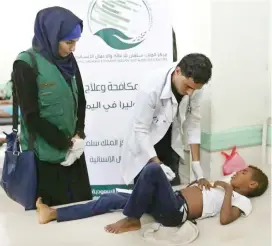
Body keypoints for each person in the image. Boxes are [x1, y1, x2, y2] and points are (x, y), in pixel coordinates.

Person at [36, 163, 268, 235]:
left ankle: (132, 218)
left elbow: (226, 219)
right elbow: (195, 193)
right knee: (111, 198)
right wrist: (201, 183)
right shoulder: (223, 184)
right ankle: (54, 213)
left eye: (244, 173)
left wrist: (226, 189)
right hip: (172, 199)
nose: (238, 171)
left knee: (154, 170)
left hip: (176, 212)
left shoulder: (241, 200)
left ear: (252, 185)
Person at [12, 6, 92, 206]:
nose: (73, 48)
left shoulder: (69, 61)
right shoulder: (25, 64)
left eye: (76, 42)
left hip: (73, 153)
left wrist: (79, 134)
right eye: (68, 42)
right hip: (46, 158)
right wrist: (64, 144)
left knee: (81, 209)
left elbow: (80, 100)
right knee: (52, 219)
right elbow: (31, 116)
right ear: (50, 35)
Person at [120, 53, 213, 186]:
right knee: (145, 194)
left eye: (195, 89)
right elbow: (141, 129)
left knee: (172, 193)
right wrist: (157, 164)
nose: (190, 93)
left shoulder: (195, 85)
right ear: (177, 71)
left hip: (170, 141)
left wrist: (196, 164)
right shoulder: (151, 87)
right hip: (146, 144)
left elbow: (193, 122)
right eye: (188, 86)